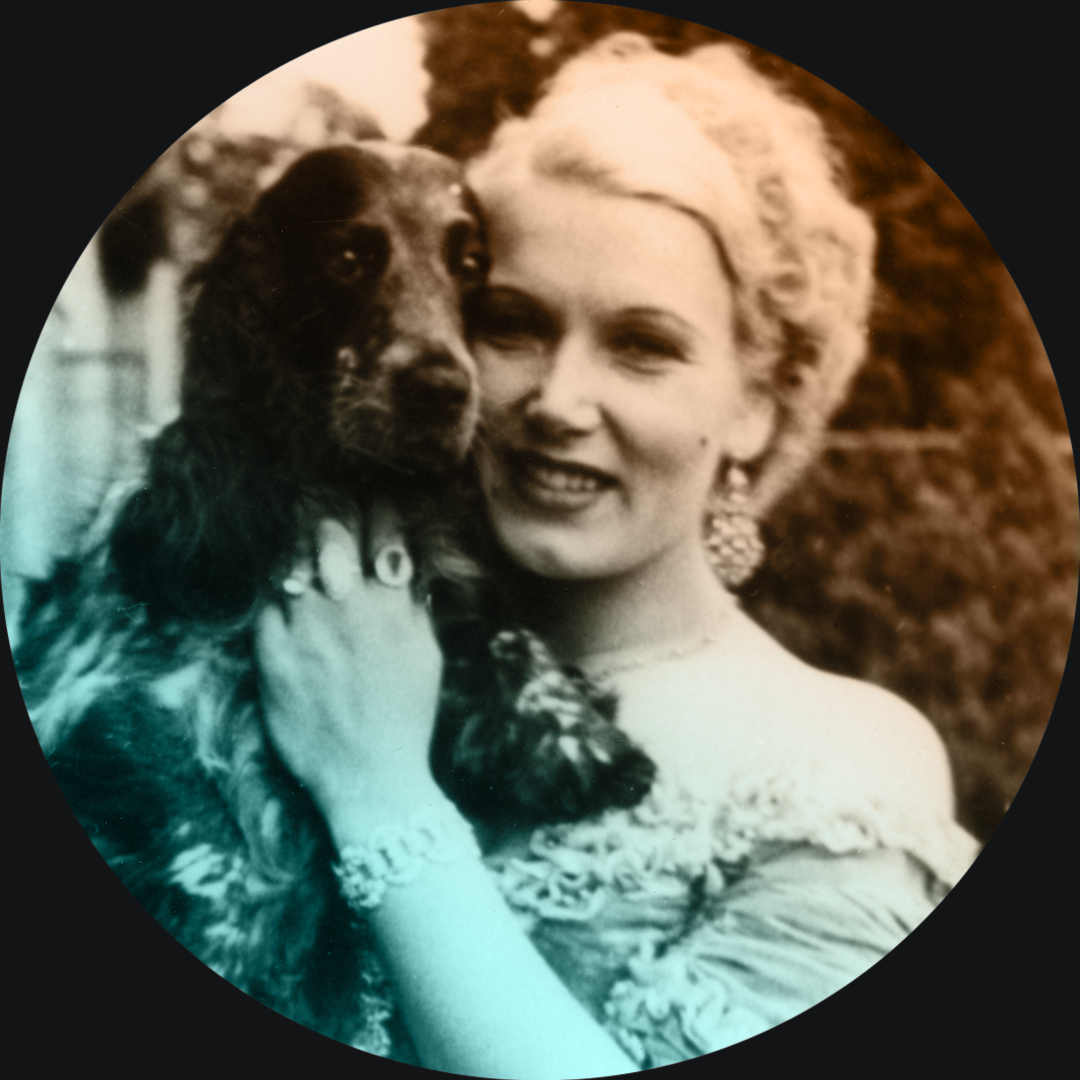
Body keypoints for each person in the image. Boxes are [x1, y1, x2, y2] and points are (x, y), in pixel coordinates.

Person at [254, 33, 980, 1078]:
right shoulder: (326, 655)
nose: (558, 402)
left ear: (758, 404)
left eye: (643, 346)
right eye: (514, 326)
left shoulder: (842, 765)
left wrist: (380, 794)